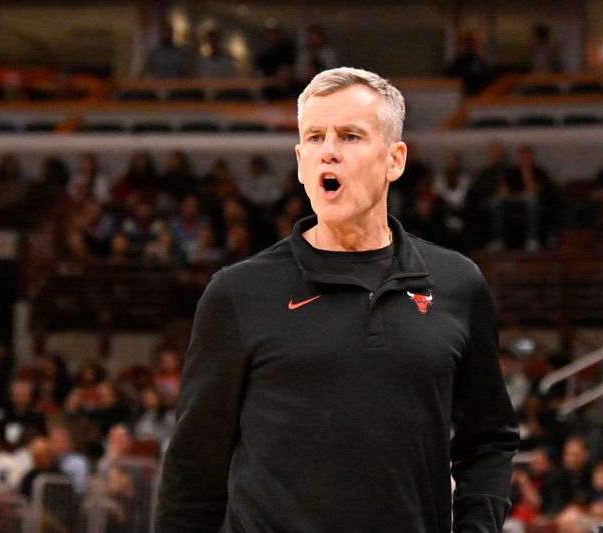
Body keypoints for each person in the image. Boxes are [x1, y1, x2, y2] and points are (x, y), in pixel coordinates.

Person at [156, 67, 518, 532]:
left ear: (394, 159)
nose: (329, 151)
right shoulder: (238, 293)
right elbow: (193, 470)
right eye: (315, 137)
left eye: (350, 136)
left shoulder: (457, 284)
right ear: (302, 160)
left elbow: (489, 439)